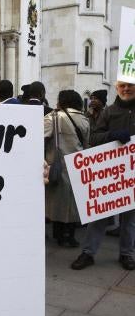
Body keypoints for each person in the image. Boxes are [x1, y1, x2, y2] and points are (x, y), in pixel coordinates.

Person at [71, 81, 135, 271]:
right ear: (117, 88)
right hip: (110, 173)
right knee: (99, 216)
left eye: (130, 86)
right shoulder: (109, 112)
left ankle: (127, 254)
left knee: (130, 218)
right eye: (122, 86)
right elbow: (94, 138)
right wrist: (113, 135)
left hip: (131, 173)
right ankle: (88, 253)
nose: (126, 89)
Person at [45, 90, 90, 247]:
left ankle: (58, 235)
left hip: (58, 165)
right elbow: (87, 143)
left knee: (57, 202)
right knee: (73, 202)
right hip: (78, 165)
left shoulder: (54, 117)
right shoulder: (85, 119)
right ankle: (70, 236)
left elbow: (37, 136)